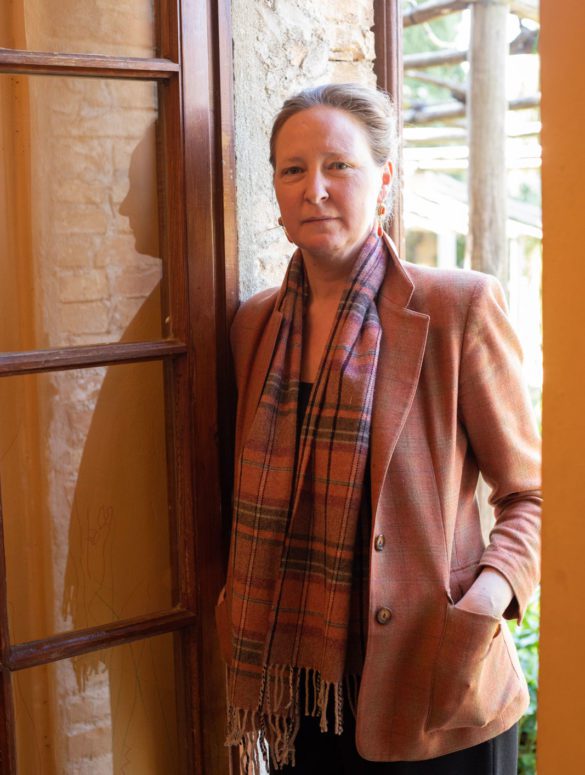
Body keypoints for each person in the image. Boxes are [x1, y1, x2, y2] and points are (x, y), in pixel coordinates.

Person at [215, 83, 541, 775]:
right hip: (303, 689)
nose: (315, 188)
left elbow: (536, 494)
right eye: (292, 169)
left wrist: (485, 599)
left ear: (383, 180)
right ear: (274, 191)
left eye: (339, 165)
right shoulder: (255, 326)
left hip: (435, 686)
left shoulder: (457, 307)